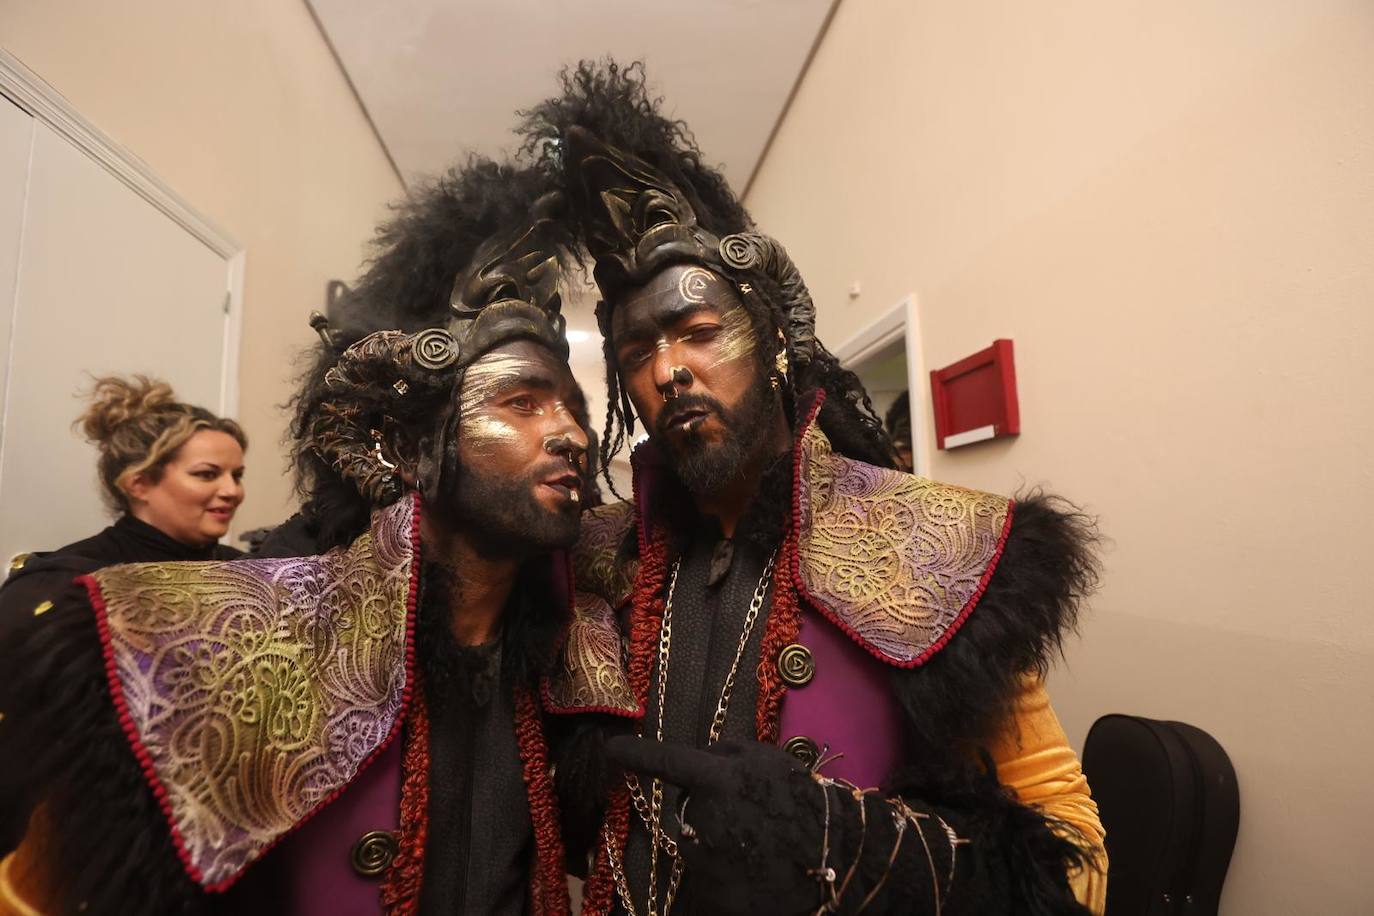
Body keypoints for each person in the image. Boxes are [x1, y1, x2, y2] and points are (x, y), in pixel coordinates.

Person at [525, 62, 1107, 915]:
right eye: (637, 354)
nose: (669, 370)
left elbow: (1078, 852)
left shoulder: (933, 545)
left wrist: (856, 850)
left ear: (773, 344)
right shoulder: (597, 558)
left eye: (698, 331)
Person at [0, 162, 586, 916]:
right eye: (523, 403)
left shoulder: (572, 642)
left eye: (571, 406)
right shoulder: (242, 645)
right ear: (411, 452)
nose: (570, 432)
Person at [0, 376, 246, 851]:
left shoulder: (249, 575)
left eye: (237, 475)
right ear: (139, 484)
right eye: (207, 474)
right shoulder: (62, 587)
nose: (231, 490)